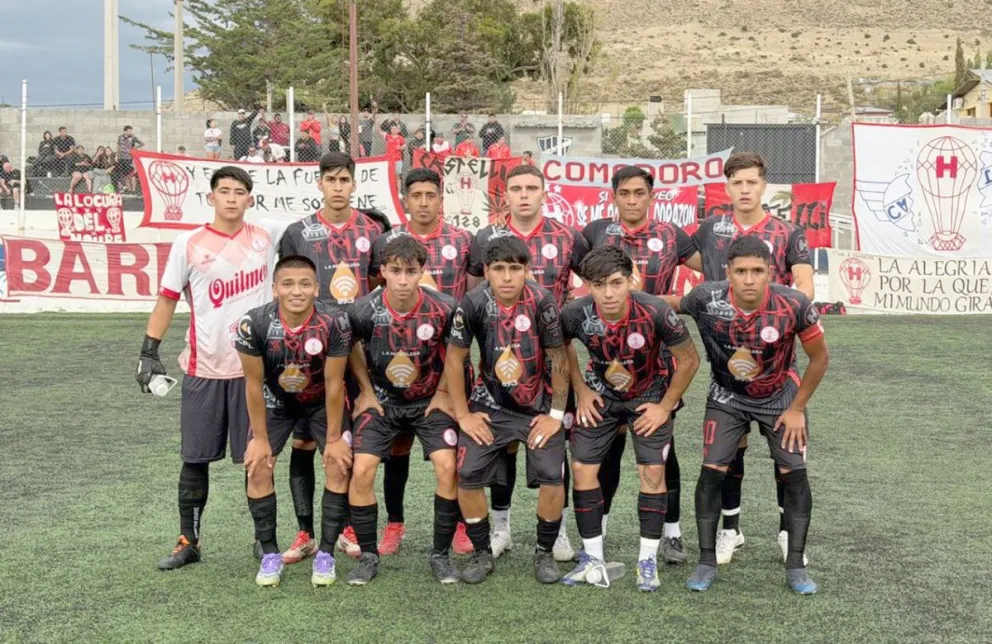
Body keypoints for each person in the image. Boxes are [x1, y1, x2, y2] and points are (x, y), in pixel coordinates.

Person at [135, 166, 286, 571]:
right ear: (211, 197)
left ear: (250, 199)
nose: (232, 198)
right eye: (225, 191)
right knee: (194, 458)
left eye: (240, 191)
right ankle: (189, 541)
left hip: (254, 372)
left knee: (258, 458)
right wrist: (149, 351)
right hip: (203, 368)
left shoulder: (267, 234)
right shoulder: (188, 243)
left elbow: (319, 227)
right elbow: (167, 299)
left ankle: (265, 542)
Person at [679, 152, 815, 566]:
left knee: (786, 451)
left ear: (763, 185)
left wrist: (780, 320)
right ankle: (730, 530)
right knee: (730, 449)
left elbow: (805, 284)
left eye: (752, 182)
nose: (744, 190)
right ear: (727, 186)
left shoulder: (787, 232)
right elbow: (693, 266)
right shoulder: (711, 229)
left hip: (776, 360)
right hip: (728, 359)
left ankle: (786, 533)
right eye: (736, 183)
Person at [672, 235, 828, 594]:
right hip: (727, 396)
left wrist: (797, 409)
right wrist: (630, 299)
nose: (748, 278)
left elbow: (820, 359)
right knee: (711, 471)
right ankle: (706, 562)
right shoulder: (706, 299)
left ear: (770, 272)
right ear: (728, 272)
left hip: (780, 397)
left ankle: (795, 567)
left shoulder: (794, 305)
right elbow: (673, 304)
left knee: (794, 473)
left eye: (757, 271)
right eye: (740, 271)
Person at [559, 247, 700, 590]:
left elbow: (690, 359)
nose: (608, 293)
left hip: (650, 395)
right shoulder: (575, 313)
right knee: (581, 469)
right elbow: (560, 349)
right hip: (601, 395)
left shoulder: (655, 310)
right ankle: (593, 560)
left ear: (630, 279)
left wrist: (665, 406)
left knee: (652, 472)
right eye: (598, 285)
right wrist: (581, 389)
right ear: (586, 285)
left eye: (616, 283)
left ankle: (647, 563)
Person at [467, 163, 588, 561]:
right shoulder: (486, 237)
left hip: (550, 358)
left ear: (543, 192)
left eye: (531, 188)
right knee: (501, 448)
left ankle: (558, 532)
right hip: (500, 361)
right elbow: (471, 294)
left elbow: (592, 281)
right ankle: (500, 527)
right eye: (516, 188)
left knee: (555, 441)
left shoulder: (567, 236)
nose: (523, 195)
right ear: (505, 195)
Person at [581, 165, 698, 563]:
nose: (632, 200)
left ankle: (673, 532)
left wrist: (678, 304)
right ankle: (603, 525)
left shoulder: (671, 235)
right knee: (608, 451)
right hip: (608, 362)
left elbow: (715, 271)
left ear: (652, 195)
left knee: (665, 453)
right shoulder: (597, 233)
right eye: (624, 193)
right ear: (613, 197)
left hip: (657, 364)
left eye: (639, 193)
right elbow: (574, 274)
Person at [277, 151, 386, 562]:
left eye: (345, 180)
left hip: (359, 348)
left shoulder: (373, 229)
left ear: (354, 183)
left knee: (354, 437)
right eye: (331, 180)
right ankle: (305, 531)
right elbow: (288, 285)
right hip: (308, 352)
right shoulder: (298, 232)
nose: (338, 187)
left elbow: (379, 280)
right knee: (305, 440)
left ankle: (349, 527)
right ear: (319, 183)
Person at [445, 235, 571, 585]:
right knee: (466, 475)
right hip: (490, 406)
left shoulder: (542, 302)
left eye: (515, 269)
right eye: (498, 269)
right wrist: (463, 415)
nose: (507, 277)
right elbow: (455, 360)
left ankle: (543, 552)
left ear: (526, 271)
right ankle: (483, 552)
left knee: (553, 476)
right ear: (486, 271)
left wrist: (555, 415)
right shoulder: (472, 302)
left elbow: (559, 359)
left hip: (538, 408)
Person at [368, 168, 474, 555]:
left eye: (431, 195)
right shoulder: (388, 241)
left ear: (440, 197)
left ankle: (460, 525)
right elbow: (372, 296)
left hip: (447, 366)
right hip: (395, 366)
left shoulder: (463, 241)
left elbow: (474, 300)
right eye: (417, 195)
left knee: (454, 452)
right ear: (406, 198)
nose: (424, 202)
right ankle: (395, 525)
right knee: (397, 450)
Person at [346, 236, 462, 585]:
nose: (402, 279)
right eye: (395, 271)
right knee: (363, 470)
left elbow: (457, 352)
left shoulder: (444, 307)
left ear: (421, 272)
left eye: (410, 272)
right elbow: (349, 346)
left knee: (447, 466)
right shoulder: (362, 310)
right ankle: (368, 556)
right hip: (382, 401)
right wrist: (365, 390)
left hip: (429, 402)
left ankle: (440, 556)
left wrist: (444, 392)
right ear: (382, 271)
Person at [236, 255, 353, 587]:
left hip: (320, 401)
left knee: (336, 462)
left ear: (317, 287)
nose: (296, 291)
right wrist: (259, 439)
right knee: (257, 464)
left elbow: (334, 383)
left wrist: (333, 438)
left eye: (304, 283)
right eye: (287, 284)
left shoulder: (335, 322)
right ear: (274, 289)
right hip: (276, 401)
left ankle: (326, 552)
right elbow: (253, 384)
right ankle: (271, 553)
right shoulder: (254, 323)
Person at [116, 126, 144, 193]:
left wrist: (135, 147)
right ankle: (129, 189)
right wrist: (116, 155)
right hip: (122, 158)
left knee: (132, 175)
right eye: (129, 131)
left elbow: (142, 143)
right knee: (125, 175)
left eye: (131, 131)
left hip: (130, 158)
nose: (130, 132)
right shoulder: (120, 137)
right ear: (125, 131)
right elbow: (118, 146)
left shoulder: (133, 138)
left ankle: (133, 189)